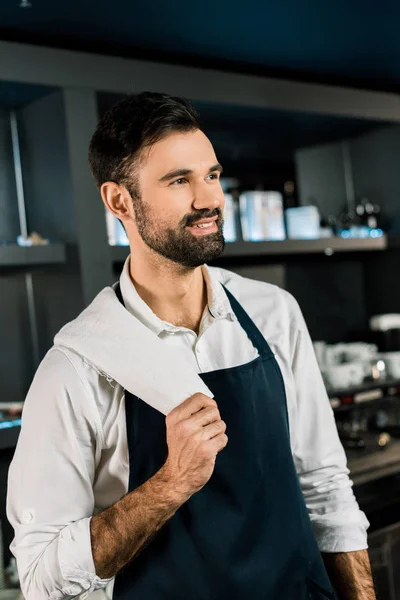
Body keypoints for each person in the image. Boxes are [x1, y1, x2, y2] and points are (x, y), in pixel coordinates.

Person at [7, 92, 375, 600]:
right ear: (118, 201)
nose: (209, 200)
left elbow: (326, 488)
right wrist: (170, 483)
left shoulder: (273, 314)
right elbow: (41, 578)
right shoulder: (74, 369)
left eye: (212, 175)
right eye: (179, 180)